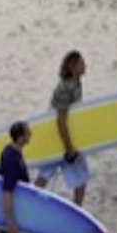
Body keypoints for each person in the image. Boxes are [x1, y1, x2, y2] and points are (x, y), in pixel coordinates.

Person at [39, 49, 95, 209]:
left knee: (50, 174)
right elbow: (61, 120)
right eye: (81, 63)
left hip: (65, 135)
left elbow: (73, 117)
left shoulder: (77, 84)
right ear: (72, 67)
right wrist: (69, 147)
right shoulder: (66, 88)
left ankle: (77, 212)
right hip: (56, 135)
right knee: (45, 174)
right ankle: (77, 212)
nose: (85, 65)